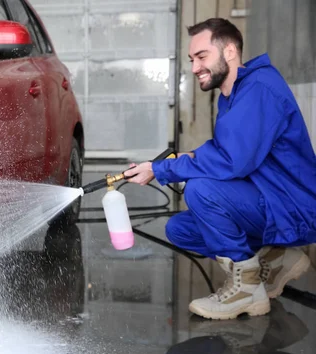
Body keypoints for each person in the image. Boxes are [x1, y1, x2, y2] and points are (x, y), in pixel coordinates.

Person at [124, 18, 316, 320]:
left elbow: (232, 160)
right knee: (181, 229)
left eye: (201, 57)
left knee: (202, 190)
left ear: (229, 51)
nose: (195, 66)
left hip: (294, 208)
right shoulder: (234, 94)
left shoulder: (259, 89)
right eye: (191, 59)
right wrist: (173, 162)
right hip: (271, 201)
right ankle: (274, 258)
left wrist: (163, 169)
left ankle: (248, 290)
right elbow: (230, 151)